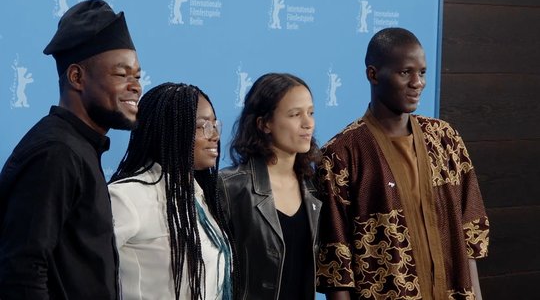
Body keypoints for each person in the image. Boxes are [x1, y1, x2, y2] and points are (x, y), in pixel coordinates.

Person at [316, 27, 490, 300]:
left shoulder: (446, 140)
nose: (417, 82)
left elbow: (469, 235)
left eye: (422, 73)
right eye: (405, 72)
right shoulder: (342, 154)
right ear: (373, 74)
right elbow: (337, 261)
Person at [0, 0, 141, 299]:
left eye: (137, 76)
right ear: (77, 77)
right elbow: (22, 271)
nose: (135, 86)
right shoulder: (57, 152)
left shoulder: (80, 148)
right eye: (121, 74)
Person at [108, 83, 233, 300]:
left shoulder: (197, 195)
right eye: (202, 126)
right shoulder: (127, 197)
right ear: (170, 130)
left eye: (215, 125)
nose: (214, 136)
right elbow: (75, 271)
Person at [218, 73, 322, 299]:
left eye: (311, 113)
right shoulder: (230, 187)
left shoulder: (316, 188)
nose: (308, 123)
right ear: (264, 123)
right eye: (295, 114)